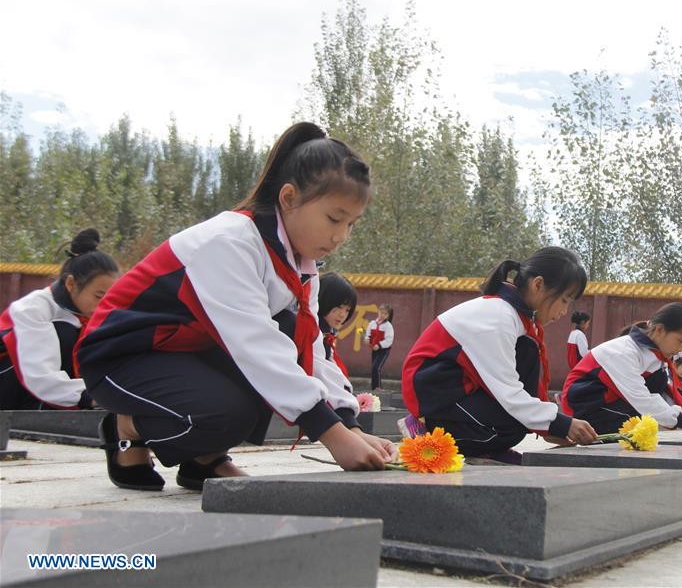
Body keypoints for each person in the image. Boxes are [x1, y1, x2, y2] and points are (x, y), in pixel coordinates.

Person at [76, 122, 396, 492]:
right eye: (334, 219)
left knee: (291, 331)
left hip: (187, 352)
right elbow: (256, 346)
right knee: (229, 408)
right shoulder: (228, 243)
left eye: (351, 225)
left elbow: (311, 349)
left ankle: (202, 459)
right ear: (289, 198)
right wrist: (333, 437)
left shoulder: (302, 267)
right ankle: (127, 426)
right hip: (122, 356)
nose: (341, 236)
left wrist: (349, 423)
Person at [401, 247, 598, 463]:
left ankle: (486, 447)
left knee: (526, 358)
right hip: (436, 397)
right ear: (538, 284)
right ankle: (426, 428)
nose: (564, 312)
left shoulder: (516, 320)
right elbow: (509, 393)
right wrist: (561, 423)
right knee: (513, 425)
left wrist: (548, 426)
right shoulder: (498, 318)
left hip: (462, 390)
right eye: (565, 300)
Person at [562, 303, 682, 438]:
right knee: (633, 424)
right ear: (660, 330)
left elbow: (660, 396)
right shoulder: (623, 352)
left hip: (615, 402)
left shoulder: (657, 359)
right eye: (680, 341)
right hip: (584, 405)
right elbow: (642, 399)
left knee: (644, 425)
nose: (681, 349)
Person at [1, 229, 118, 410]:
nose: (104, 305)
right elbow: (40, 377)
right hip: (12, 389)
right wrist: (93, 397)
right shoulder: (32, 309)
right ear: (71, 284)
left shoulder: (90, 313)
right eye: (98, 296)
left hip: (49, 394)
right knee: (64, 332)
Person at [317, 272, 357, 390]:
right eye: (339, 307)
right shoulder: (314, 331)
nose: (342, 314)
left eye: (347, 310)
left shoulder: (328, 332)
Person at [364, 305, 394, 390]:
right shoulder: (372, 323)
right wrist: (367, 339)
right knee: (374, 368)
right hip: (374, 349)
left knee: (376, 368)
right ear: (378, 312)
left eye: (385, 314)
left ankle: (377, 388)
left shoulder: (388, 326)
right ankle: (375, 388)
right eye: (381, 312)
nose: (382, 315)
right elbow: (368, 334)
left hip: (384, 350)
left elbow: (389, 340)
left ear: (388, 315)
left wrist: (380, 345)